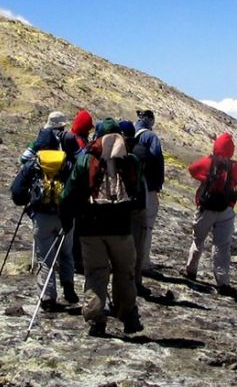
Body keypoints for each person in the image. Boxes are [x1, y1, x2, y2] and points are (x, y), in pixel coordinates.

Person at [60, 118, 144, 337]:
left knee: (96, 273)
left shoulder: (86, 160)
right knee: (124, 272)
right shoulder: (130, 160)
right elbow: (138, 192)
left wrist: (67, 219)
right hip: (121, 227)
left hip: (90, 228)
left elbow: (68, 194)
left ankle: (97, 320)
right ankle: (129, 317)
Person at [10, 142, 78, 309]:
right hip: (65, 216)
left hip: (42, 217)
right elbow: (76, 188)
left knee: (45, 258)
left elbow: (17, 193)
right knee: (67, 253)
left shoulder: (34, 164)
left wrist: (29, 201)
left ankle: (47, 297)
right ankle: (68, 285)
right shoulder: (67, 163)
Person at [183, 132, 237, 292]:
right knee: (222, 246)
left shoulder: (208, 162)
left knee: (198, 240)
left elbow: (192, 169)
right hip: (226, 210)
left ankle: (190, 271)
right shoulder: (235, 167)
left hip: (206, 209)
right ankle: (223, 282)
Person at [120, 119, 151, 296]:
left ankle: (124, 281)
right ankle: (136, 282)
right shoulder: (141, 150)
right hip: (139, 203)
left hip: (122, 203)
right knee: (138, 246)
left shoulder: (118, 151)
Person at [133, 108, 165, 279]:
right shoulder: (151, 137)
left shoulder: (130, 131)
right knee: (146, 226)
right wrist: (156, 184)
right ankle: (143, 263)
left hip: (128, 184)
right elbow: (156, 159)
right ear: (150, 120)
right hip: (146, 185)